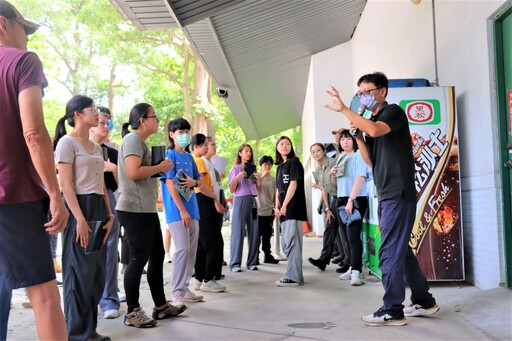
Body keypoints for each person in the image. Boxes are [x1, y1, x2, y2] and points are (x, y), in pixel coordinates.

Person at [325, 72, 439, 326]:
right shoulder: (370, 121)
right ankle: (424, 300)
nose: (364, 96)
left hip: (397, 192)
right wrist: (356, 136)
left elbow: (375, 131)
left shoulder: (393, 113)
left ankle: (392, 309)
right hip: (387, 192)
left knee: (389, 251)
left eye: (368, 91)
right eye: (360, 93)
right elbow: (369, 160)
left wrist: (345, 109)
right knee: (400, 250)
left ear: (382, 91)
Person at [0, 2, 68, 339]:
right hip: (14, 195)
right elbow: (34, 133)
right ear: (2, 25)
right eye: (22, 28)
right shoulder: (22, 62)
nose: (25, 37)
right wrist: (55, 193)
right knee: (43, 296)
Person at [116, 103, 185, 329]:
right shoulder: (133, 140)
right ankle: (132, 312)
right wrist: (160, 167)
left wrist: (157, 167)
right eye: (154, 117)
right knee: (137, 260)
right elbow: (133, 172)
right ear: (143, 120)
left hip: (145, 209)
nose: (157, 120)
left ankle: (161, 306)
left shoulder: (140, 142)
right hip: (134, 209)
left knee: (157, 255)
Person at [54, 95, 114, 341]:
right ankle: (77, 333)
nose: (97, 114)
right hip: (78, 207)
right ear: (77, 115)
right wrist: (78, 219)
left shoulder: (97, 147)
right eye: (92, 109)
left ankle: (90, 330)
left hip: (99, 207)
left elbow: (100, 184)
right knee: (78, 272)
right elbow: (66, 185)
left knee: (96, 271)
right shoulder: (67, 144)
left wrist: (109, 214)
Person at [161, 117, 204, 306]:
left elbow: (199, 181)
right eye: (180, 132)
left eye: (187, 132)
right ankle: (176, 292)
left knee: (191, 251)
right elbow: (169, 182)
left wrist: (194, 183)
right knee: (182, 250)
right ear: (172, 134)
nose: (185, 135)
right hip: (176, 211)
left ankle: (185, 288)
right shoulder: (168, 156)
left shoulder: (189, 158)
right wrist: (182, 211)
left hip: (193, 209)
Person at [89, 106, 122, 319]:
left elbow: (121, 186)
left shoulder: (113, 152)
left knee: (110, 250)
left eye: (108, 122)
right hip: (87, 200)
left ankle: (109, 298)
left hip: (110, 198)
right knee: (89, 250)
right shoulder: (78, 147)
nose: (106, 126)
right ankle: (89, 298)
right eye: (101, 121)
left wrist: (114, 169)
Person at [329, 130, 369, 286]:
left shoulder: (359, 155)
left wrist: (351, 200)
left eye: (348, 139)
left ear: (354, 140)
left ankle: (356, 273)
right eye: (342, 139)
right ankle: (352, 266)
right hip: (342, 198)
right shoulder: (340, 157)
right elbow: (336, 183)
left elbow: (360, 178)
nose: (344, 142)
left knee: (353, 236)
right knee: (346, 237)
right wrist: (332, 174)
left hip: (356, 198)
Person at [189, 134, 226, 292]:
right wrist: (215, 199)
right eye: (205, 145)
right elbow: (203, 186)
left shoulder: (199, 161)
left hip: (201, 200)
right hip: (204, 200)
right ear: (196, 146)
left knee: (202, 242)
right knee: (213, 241)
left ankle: (199, 277)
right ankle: (208, 279)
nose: (208, 147)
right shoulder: (199, 161)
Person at [274, 136, 307, 287]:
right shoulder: (280, 167)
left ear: (291, 146)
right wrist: (277, 207)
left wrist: (285, 205)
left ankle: (293, 277)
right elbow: (277, 190)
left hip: (293, 208)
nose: (284, 146)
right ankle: (295, 275)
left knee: (292, 242)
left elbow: (293, 184)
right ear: (277, 148)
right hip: (283, 210)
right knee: (287, 242)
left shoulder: (295, 162)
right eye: (281, 144)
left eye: (287, 143)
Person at [307, 143, 341, 271]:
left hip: (342, 198)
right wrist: (327, 209)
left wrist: (331, 176)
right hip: (333, 200)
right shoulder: (319, 169)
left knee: (344, 233)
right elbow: (324, 189)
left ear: (324, 151)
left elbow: (337, 183)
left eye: (318, 151)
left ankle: (351, 264)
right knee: (329, 229)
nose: (316, 153)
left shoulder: (333, 162)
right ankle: (323, 260)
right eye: (313, 152)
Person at [228, 144, 260, 272]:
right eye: (246, 151)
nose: (249, 154)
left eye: (250, 152)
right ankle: (235, 263)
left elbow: (257, 189)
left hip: (252, 201)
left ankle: (252, 262)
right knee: (238, 231)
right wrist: (238, 177)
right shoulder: (235, 169)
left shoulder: (253, 169)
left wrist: (259, 180)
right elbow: (231, 189)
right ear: (240, 153)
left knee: (254, 231)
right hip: (240, 201)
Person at [202, 137, 228, 280]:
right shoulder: (202, 163)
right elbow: (206, 186)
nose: (214, 147)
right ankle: (207, 275)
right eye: (212, 145)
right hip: (210, 204)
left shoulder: (212, 164)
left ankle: (215, 272)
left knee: (218, 240)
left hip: (218, 202)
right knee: (211, 241)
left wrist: (223, 200)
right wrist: (215, 201)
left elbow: (217, 186)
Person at [256, 155, 279, 264]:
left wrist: (275, 208)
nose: (267, 166)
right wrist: (261, 178)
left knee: (267, 235)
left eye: (269, 164)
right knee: (257, 235)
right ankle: (254, 256)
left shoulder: (273, 179)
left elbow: (275, 195)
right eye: (265, 164)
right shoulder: (257, 176)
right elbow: (255, 190)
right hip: (259, 210)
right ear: (261, 166)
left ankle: (267, 255)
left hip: (269, 211)